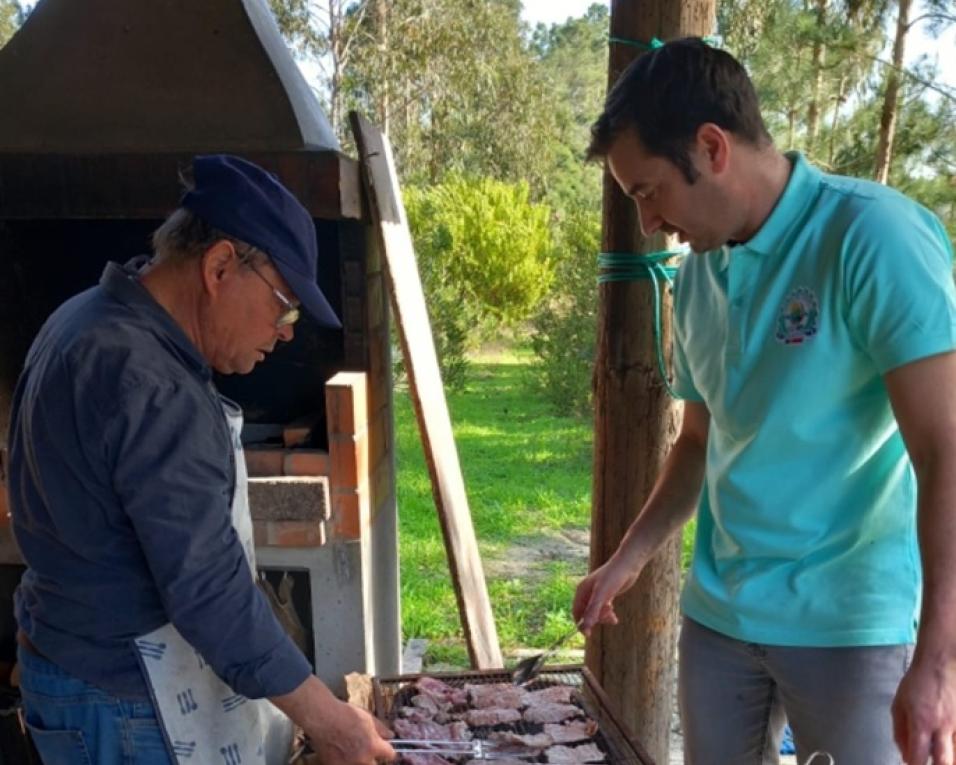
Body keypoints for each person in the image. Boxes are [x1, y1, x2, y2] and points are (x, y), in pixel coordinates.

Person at [572, 38, 956, 765]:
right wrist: (627, 559)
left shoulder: (871, 236)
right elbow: (695, 443)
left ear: (712, 147)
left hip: (850, 622)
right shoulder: (696, 279)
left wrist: (940, 659)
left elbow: (945, 447)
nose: (647, 222)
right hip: (720, 616)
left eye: (647, 190)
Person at [7, 155, 397, 765]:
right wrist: (328, 719)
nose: (287, 331)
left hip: (70, 668)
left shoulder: (82, 317)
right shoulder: (150, 382)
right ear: (219, 266)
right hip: (125, 704)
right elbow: (207, 589)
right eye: (284, 305)